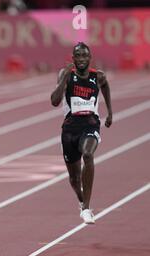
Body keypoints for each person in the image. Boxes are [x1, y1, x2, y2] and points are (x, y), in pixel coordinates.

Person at [50, 42, 113, 224]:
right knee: (74, 178)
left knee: (88, 154)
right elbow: (54, 101)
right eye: (78, 56)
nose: (82, 59)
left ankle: (86, 208)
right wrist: (65, 78)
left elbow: (106, 86)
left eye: (85, 56)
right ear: (73, 59)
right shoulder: (66, 74)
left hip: (90, 125)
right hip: (70, 129)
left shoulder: (98, 76)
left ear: (90, 58)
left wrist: (110, 112)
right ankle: (81, 199)